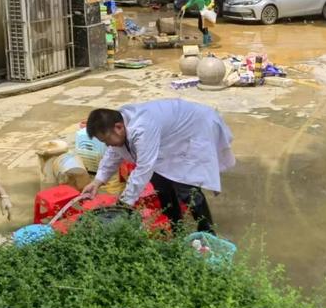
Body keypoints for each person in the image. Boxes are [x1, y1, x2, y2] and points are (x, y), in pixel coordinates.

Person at [81, 99, 235, 233]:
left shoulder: (142, 127)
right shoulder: (119, 124)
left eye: (106, 140)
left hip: (195, 128)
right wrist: (97, 181)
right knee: (160, 183)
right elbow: (113, 153)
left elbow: (144, 167)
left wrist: (124, 203)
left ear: (119, 127)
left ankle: (206, 232)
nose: (107, 144)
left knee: (187, 186)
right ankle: (176, 227)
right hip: (171, 136)